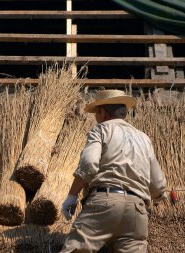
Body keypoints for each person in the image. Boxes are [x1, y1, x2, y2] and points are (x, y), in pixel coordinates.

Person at [60, 90, 167, 253]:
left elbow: (89, 164)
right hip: (137, 211)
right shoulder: (144, 138)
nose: (96, 117)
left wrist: (72, 196)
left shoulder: (101, 130)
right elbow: (158, 185)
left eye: (96, 112)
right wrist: (159, 197)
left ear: (102, 112)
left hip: (104, 203)